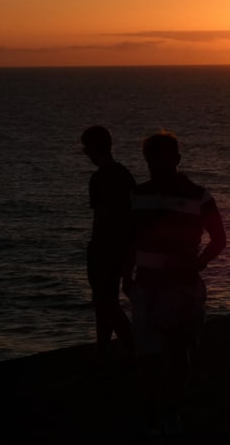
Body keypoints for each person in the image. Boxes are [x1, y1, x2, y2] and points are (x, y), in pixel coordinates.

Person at [127, 130, 227, 436]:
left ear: (176, 160)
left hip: (172, 286)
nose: (155, 164)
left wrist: (194, 264)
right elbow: (219, 240)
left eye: (159, 159)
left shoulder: (189, 196)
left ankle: (165, 413)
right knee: (160, 355)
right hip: (153, 285)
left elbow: (219, 240)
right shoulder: (190, 196)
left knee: (168, 354)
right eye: (152, 159)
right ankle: (163, 413)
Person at [80, 125, 136, 367]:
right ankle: (102, 352)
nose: (86, 154)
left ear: (94, 148)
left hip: (104, 249)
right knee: (105, 302)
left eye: (86, 149)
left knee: (105, 304)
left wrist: (97, 250)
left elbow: (101, 220)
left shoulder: (100, 179)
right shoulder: (125, 175)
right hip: (121, 248)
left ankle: (134, 351)